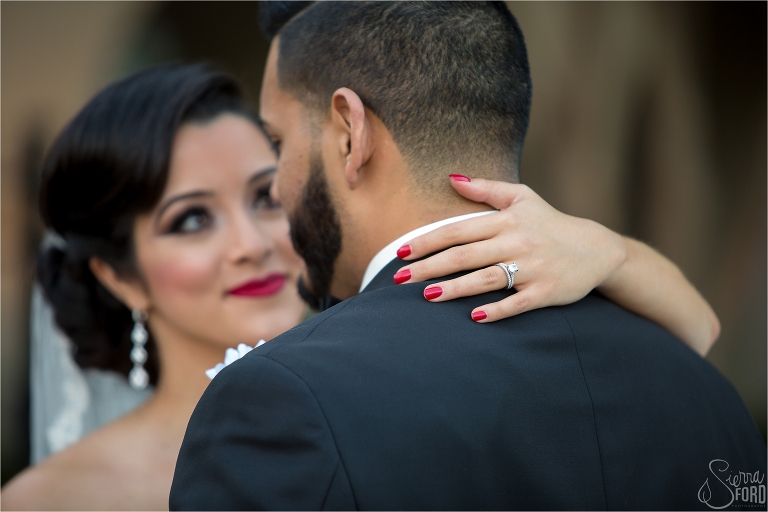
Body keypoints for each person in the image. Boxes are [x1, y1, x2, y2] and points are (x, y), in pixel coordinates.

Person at [170, 2, 766, 510]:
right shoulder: (707, 396)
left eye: (278, 143)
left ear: (351, 135)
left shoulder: (283, 400)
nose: (276, 186)